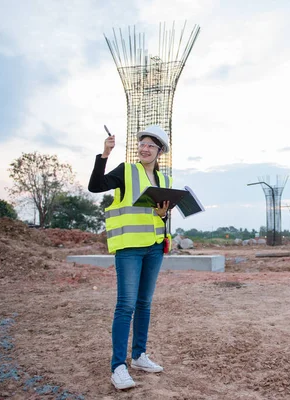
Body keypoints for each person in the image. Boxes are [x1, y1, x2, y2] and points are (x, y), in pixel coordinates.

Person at [88, 125, 172, 390]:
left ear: (160, 152)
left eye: (151, 145)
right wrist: (105, 153)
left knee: (144, 303)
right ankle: (118, 367)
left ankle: (138, 356)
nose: (145, 148)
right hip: (129, 248)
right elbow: (95, 186)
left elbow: (161, 215)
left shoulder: (164, 179)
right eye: (142, 144)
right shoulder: (126, 171)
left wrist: (163, 215)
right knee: (125, 306)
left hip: (155, 247)